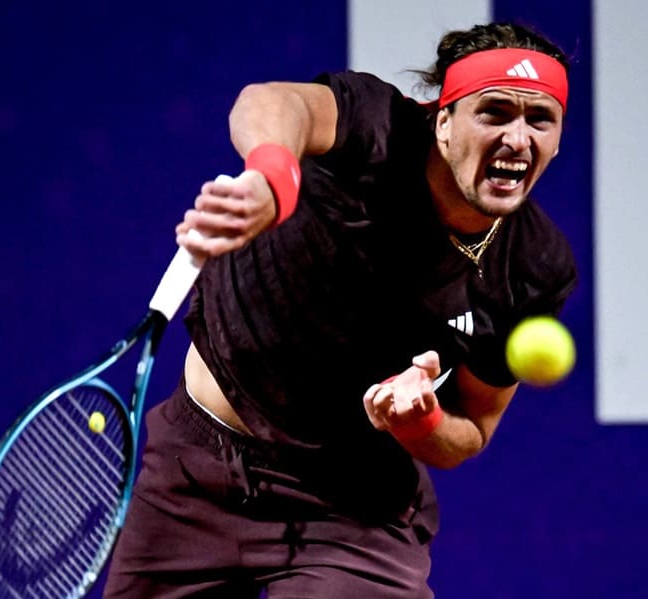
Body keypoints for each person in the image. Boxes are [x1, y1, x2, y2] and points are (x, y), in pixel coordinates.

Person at [104, 21, 577, 598]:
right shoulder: (379, 127)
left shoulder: (532, 268)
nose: (517, 138)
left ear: (557, 139)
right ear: (444, 121)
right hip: (189, 473)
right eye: (495, 112)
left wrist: (421, 422)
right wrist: (271, 179)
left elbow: (473, 429)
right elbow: (269, 102)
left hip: (349, 509)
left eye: (539, 120)